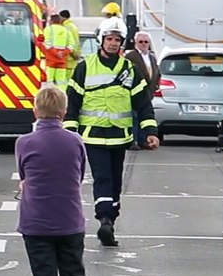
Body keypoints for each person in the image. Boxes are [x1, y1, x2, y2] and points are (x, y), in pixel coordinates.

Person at [16, 85, 98, 276]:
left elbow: (24, 174)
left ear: (36, 110)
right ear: (63, 112)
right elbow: (78, 174)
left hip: (37, 223)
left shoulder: (24, 142)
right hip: (70, 221)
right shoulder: (75, 140)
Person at [65, 20, 159, 247]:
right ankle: (104, 218)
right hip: (93, 136)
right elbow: (72, 103)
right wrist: (69, 134)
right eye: (109, 39)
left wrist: (150, 131)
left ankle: (110, 221)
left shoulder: (129, 70)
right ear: (101, 40)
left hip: (120, 137)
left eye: (117, 40)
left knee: (116, 182)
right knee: (103, 177)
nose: (113, 43)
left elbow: (143, 104)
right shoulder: (85, 67)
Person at [124, 31, 161, 149]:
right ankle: (133, 141)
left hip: (148, 93)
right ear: (135, 43)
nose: (143, 44)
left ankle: (143, 140)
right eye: (141, 41)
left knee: (144, 117)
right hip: (135, 92)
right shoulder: (130, 57)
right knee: (134, 117)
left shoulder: (152, 57)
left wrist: (155, 86)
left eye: (146, 42)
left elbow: (156, 73)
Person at [39, 12, 79, 88]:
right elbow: (71, 45)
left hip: (51, 59)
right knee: (61, 81)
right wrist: (63, 53)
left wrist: (55, 53)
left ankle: (49, 97)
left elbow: (46, 43)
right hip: (62, 60)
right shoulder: (66, 31)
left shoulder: (48, 29)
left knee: (49, 80)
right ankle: (62, 97)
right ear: (60, 21)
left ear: (51, 21)